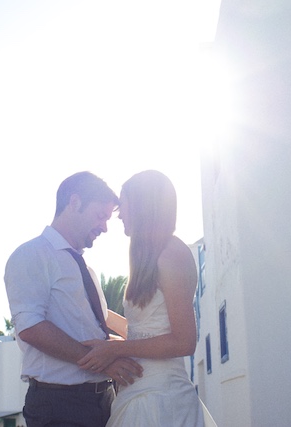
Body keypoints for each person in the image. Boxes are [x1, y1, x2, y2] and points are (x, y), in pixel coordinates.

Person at [76, 170, 216, 427]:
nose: (119, 216)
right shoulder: (150, 257)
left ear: (142, 204)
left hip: (162, 401)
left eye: (123, 205)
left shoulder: (171, 254)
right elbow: (145, 332)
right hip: (139, 392)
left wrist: (115, 349)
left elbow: (184, 341)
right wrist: (97, 314)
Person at [4, 171, 144, 427]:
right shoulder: (31, 255)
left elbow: (92, 331)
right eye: (100, 216)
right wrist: (104, 365)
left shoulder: (86, 269)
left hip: (106, 400)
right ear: (75, 202)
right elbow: (31, 329)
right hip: (59, 407)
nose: (104, 227)